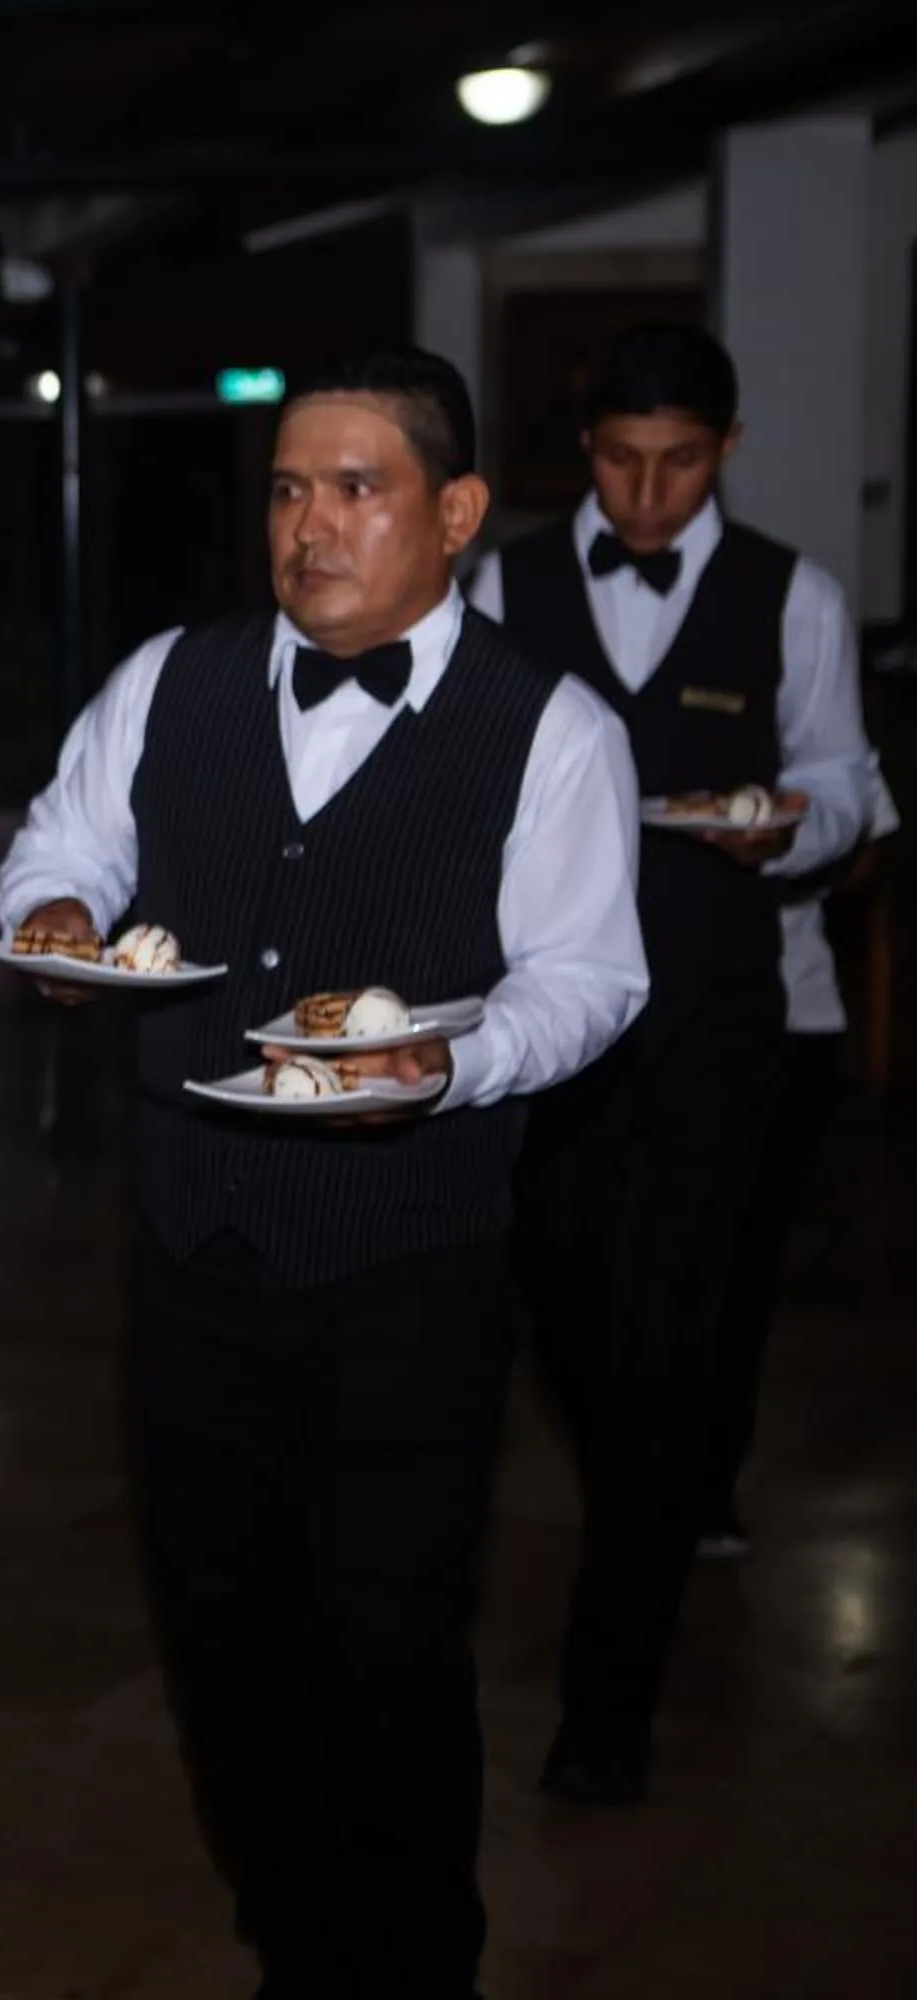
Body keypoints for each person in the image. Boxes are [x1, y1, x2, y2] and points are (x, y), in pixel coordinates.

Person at [0, 348, 645, 2000]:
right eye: (289, 489)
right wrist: (61, 918)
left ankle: (414, 1966)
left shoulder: (549, 726)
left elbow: (586, 978)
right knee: (221, 1647)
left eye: (357, 488)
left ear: (460, 513)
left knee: (387, 1646)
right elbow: (61, 845)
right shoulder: (172, 680)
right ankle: (295, 1945)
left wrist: (449, 1066)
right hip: (192, 1245)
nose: (313, 524)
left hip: (403, 1264)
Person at [470, 320, 887, 1804]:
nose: (650, 498)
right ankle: (666, 1474)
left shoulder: (797, 597)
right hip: (554, 1033)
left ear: (726, 452)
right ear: (587, 454)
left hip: (725, 1020)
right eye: (624, 464)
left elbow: (848, 779)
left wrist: (794, 819)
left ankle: (610, 1700)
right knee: (572, 1320)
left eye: (682, 465)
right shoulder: (501, 587)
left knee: (666, 1345)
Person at [699, 777, 894, 1559]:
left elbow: (862, 855)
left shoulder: (799, 661)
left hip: (787, 1010)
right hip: (642, 1013)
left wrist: (773, 849)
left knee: (737, 1271)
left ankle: (706, 1483)